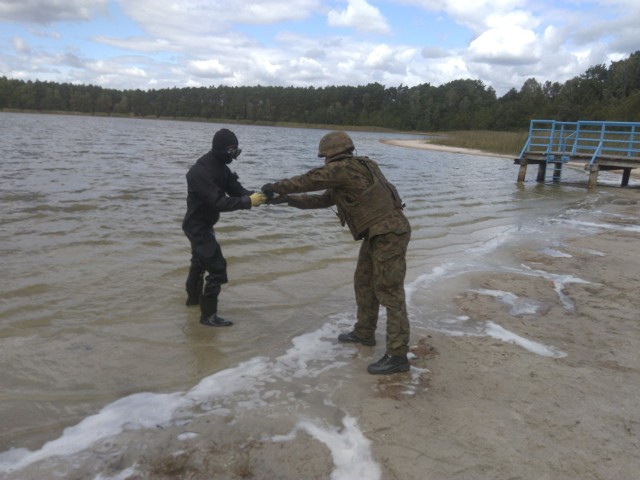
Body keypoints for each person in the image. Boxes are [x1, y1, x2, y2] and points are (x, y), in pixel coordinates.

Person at [262, 131, 411, 375]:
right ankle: (364, 333)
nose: (323, 161)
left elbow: (309, 180)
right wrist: (287, 200)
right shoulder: (358, 169)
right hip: (380, 233)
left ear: (330, 155)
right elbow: (324, 200)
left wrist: (274, 187)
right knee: (363, 282)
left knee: (389, 291)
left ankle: (398, 355)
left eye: (324, 157)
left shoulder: (343, 169)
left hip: (388, 234)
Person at [182, 128, 267, 326]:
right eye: (231, 152)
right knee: (217, 268)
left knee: (199, 262)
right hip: (197, 227)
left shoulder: (222, 167)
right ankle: (208, 317)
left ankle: (193, 302)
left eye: (237, 152)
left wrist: (261, 197)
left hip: (205, 224)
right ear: (220, 149)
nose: (234, 156)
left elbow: (237, 191)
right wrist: (248, 202)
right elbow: (218, 202)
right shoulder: (200, 171)